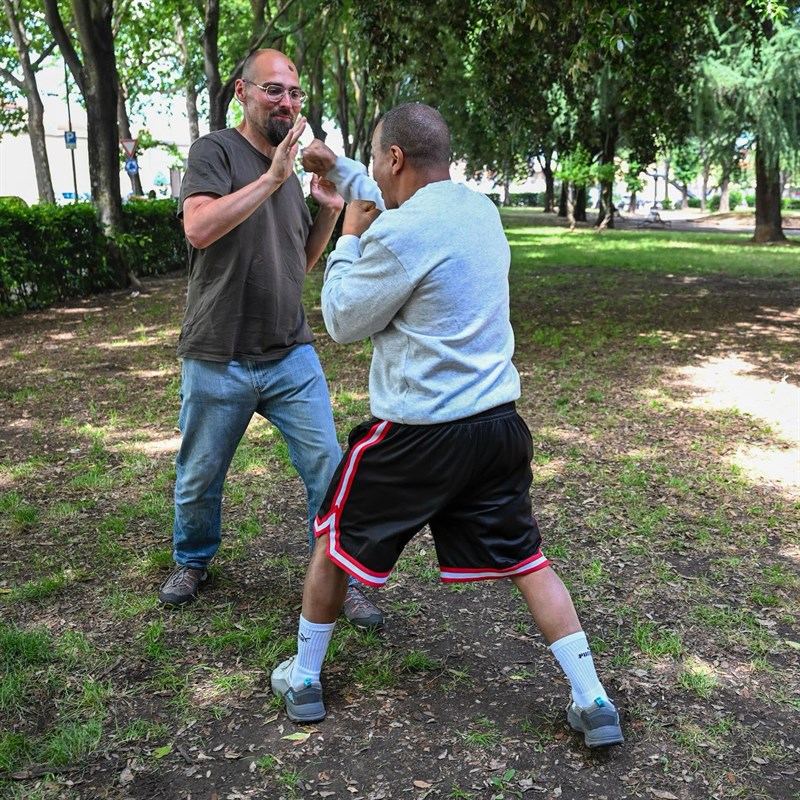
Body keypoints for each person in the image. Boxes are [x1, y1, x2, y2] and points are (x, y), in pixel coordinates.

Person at [271, 103, 624, 749]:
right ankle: (592, 698)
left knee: (332, 538)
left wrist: (348, 234)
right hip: (496, 428)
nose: (373, 170)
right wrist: (339, 168)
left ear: (396, 158)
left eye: (376, 157)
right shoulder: (477, 208)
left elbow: (344, 320)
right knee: (528, 561)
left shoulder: (393, 235)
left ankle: (302, 678)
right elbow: (392, 196)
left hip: (416, 435)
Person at [159, 48, 384, 631]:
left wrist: (328, 212)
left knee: (327, 467)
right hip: (217, 350)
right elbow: (199, 227)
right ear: (243, 92)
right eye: (274, 90)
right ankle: (192, 560)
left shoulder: (293, 166)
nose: (287, 102)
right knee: (200, 471)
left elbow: (299, 263)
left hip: (291, 351)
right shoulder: (215, 151)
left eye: (294, 93)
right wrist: (272, 178)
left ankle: (344, 579)